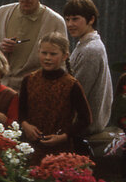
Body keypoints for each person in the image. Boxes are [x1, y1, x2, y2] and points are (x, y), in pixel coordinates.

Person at [18, 32, 91, 161]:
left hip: (60, 151)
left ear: (64, 56)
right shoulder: (29, 80)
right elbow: (20, 110)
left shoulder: (71, 84)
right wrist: (25, 125)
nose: (47, 58)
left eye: (53, 54)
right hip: (30, 147)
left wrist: (64, 136)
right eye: (44, 53)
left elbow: (85, 119)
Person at [63, 0, 113, 136]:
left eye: (75, 19)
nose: (70, 24)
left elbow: (78, 91)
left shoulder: (91, 50)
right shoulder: (85, 44)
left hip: (85, 126)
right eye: (67, 19)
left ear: (91, 19)